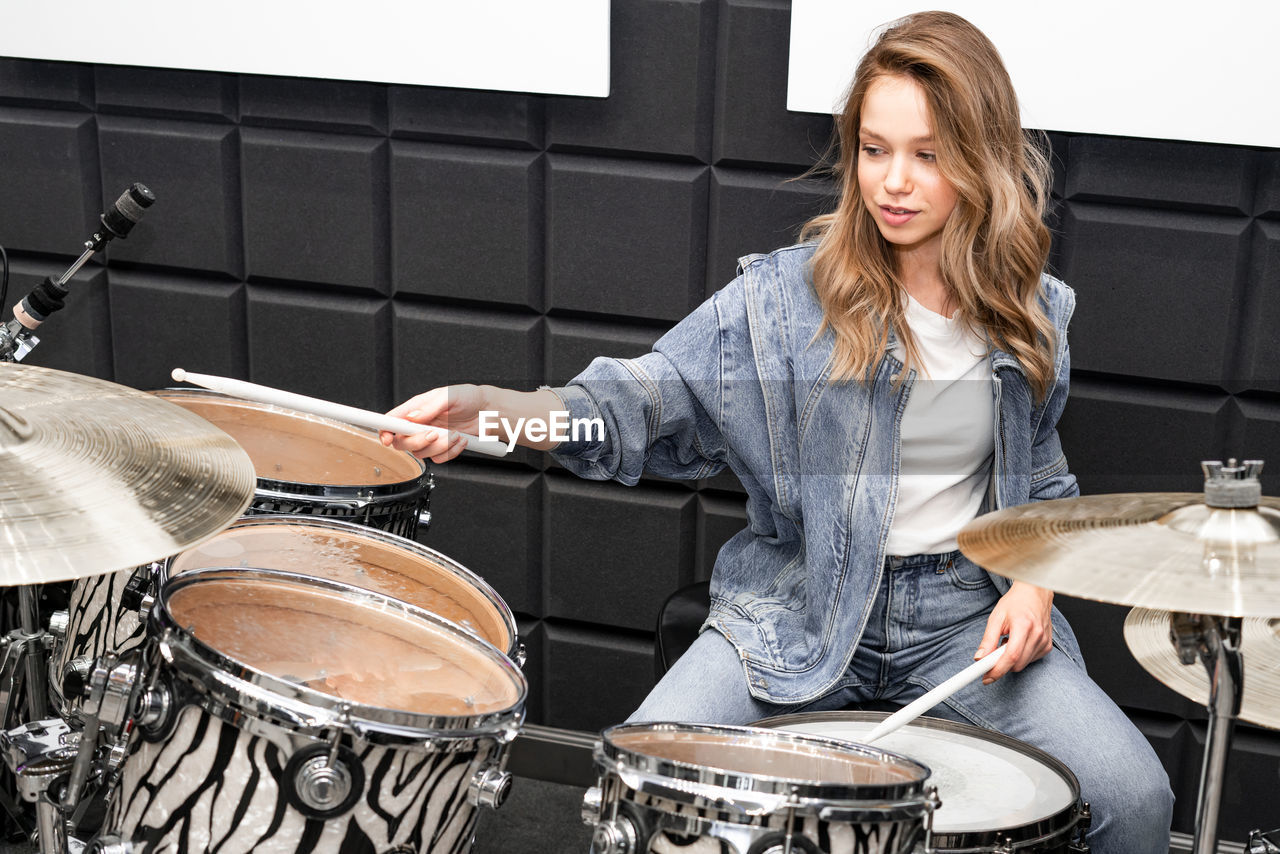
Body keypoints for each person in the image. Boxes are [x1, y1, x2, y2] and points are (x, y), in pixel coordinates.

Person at [382, 11, 1173, 851]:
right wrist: (490, 412)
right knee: (640, 789)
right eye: (874, 150)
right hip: (794, 609)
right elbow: (639, 403)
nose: (893, 182)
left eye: (927, 154)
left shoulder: (1032, 312)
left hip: (960, 621)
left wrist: (1033, 586)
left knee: (1137, 796)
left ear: (981, 159)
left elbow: (1041, 475)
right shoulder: (781, 303)